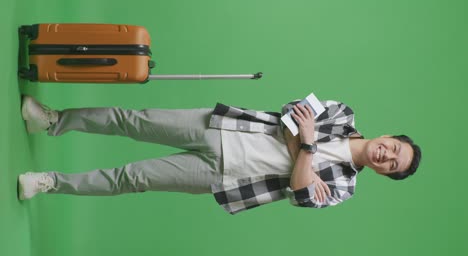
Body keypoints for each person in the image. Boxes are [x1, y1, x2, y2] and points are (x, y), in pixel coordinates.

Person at [17, 95, 422, 215]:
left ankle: (49, 183)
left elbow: (299, 194)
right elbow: (288, 116)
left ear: (385, 174)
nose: (387, 156)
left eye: (392, 165)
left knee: (131, 179)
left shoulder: (344, 188)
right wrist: (305, 156)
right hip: (223, 127)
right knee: (134, 119)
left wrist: (308, 143)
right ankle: (51, 120)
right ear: (389, 136)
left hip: (224, 177)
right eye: (395, 148)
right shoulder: (341, 112)